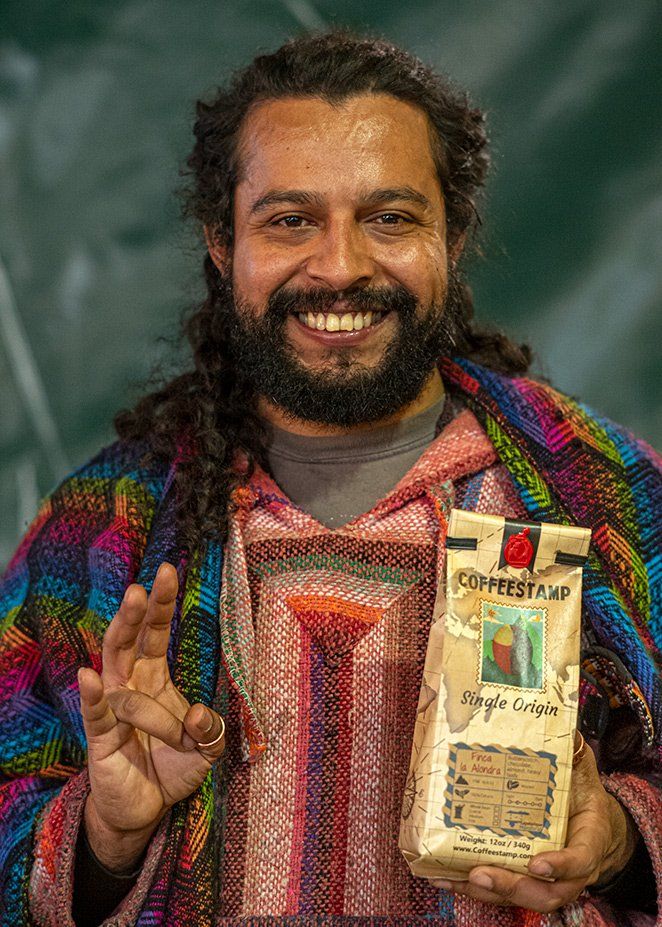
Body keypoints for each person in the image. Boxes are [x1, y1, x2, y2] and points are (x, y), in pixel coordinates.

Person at [0, 30, 659, 927]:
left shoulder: (615, 498)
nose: (341, 266)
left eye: (390, 217)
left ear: (452, 234)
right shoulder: (98, 530)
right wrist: (103, 836)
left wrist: (621, 839)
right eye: (289, 220)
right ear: (221, 244)